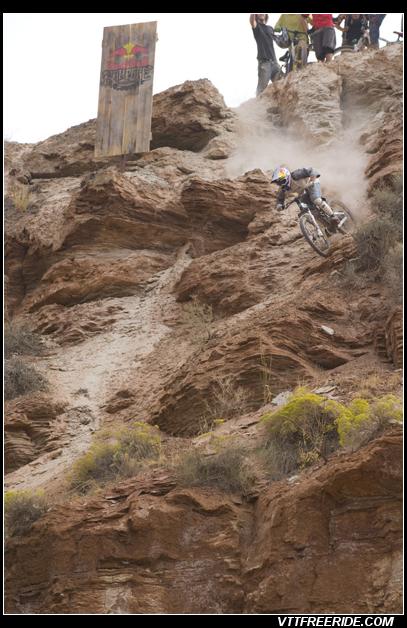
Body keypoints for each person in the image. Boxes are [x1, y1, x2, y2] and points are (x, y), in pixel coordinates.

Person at [271, 166, 339, 226]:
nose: (280, 184)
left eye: (281, 180)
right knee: (306, 210)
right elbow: (280, 199)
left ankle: (333, 216)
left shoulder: (296, 174)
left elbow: (310, 170)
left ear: (286, 176)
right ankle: (328, 225)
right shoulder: (282, 189)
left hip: (312, 183)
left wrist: (313, 176)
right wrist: (279, 205)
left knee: (316, 199)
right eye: (278, 182)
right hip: (304, 190)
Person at [250, 14, 281, 96]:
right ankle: (256, 106)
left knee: (282, 84)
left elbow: (278, 41)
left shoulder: (270, 28)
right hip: (264, 64)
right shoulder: (257, 27)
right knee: (261, 90)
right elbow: (251, 21)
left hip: (275, 63)